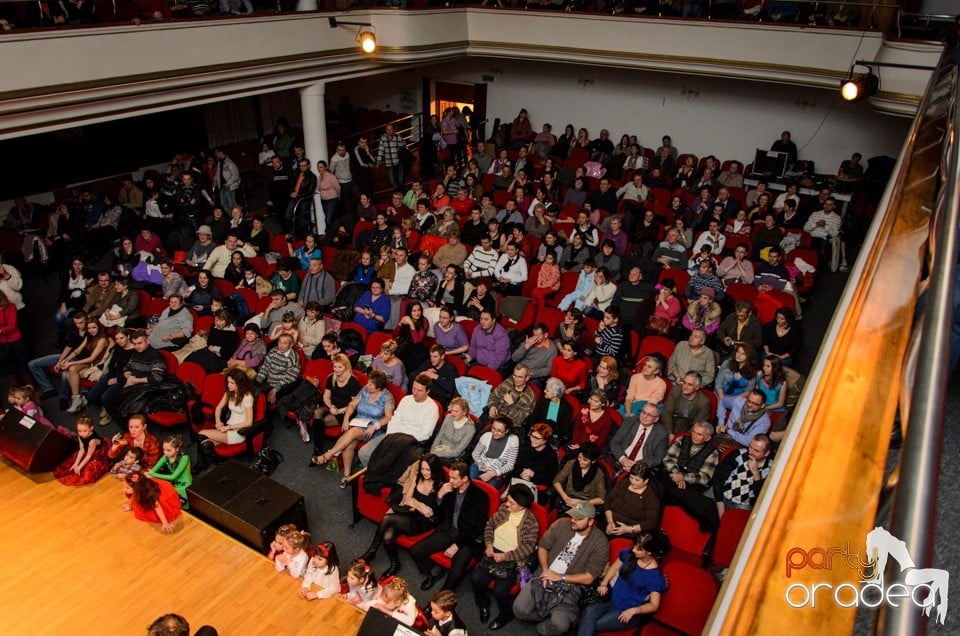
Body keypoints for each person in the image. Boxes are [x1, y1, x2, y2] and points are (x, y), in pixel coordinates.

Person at [512, 502, 609, 635]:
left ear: (591, 522)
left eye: (579, 519)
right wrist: (546, 570)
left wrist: (560, 577)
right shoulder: (562, 523)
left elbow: (589, 577)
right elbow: (543, 546)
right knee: (519, 610)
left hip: (570, 586)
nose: (573, 520)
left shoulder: (600, 543)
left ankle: (543, 626)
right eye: (573, 516)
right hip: (545, 573)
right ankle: (548, 612)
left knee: (560, 626)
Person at [358, 454, 445, 579]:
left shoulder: (440, 485)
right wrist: (420, 505)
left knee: (387, 518)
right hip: (410, 512)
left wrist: (419, 506)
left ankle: (371, 552)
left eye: (428, 469)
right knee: (388, 535)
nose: (424, 472)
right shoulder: (417, 477)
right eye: (422, 469)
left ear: (434, 469)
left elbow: (431, 511)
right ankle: (395, 564)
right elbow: (408, 499)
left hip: (422, 522)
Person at [468, 484, 540, 631]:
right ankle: (483, 602)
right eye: (507, 500)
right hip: (493, 552)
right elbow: (489, 526)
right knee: (476, 579)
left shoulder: (531, 522)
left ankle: (505, 614)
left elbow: (527, 548)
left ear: (521, 506)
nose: (506, 504)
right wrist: (488, 545)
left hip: (512, 559)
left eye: (511, 503)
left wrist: (506, 556)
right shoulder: (503, 509)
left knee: (500, 591)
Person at [411, 461, 490, 593]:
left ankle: (442, 597)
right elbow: (438, 515)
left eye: (454, 478)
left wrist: (458, 544)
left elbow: (478, 527)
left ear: (465, 479)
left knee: (457, 571)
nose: (450, 481)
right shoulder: (448, 489)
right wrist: (439, 497)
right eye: (450, 477)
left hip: (466, 537)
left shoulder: (480, 496)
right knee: (416, 551)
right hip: (448, 530)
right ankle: (434, 572)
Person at [577, 531, 669, 636]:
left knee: (590, 624)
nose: (634, 549)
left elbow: (654, 605)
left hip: (627, 610)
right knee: (589, 611)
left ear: (649, 552)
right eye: (634, 545)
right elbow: (614, 567)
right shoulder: (629, 554)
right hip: (611, 600)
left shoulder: (654, 576)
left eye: (638, 549)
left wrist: (635, 610)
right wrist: (604, 583)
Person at [313, 369, 394, 486]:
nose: (367, 385)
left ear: (378, 387)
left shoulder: (387, 397)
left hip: (374, 428)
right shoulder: (365, 390)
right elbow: (352, 405)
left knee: (353, 431)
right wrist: (346, 419)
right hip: (359, 422)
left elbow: (389, 417)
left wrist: (375, 426)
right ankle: (347, 476)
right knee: (349, 445)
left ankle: (328, 455)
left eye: (371, 384)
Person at [357, 374, 440, 467]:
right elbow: (394, 420)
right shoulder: (406, 400)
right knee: (364, 453)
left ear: (427, 391)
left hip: (412, 443)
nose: (415, 392)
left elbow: (425, 434)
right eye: (414, 388)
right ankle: (375, 475)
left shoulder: (432, 408)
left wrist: (402, 439)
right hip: (393, 436)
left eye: (419, 390)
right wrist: (391, 436)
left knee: (391, 462)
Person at [197, 369, 255, 457]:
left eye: (232, 383)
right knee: (205, 444)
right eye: (228, 382)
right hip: (227, 427)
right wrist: (218, 421)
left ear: (240, 383)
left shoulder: (247, 397)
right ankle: (208, 463)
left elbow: (249, 422)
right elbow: (218, 408)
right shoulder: (230, 393)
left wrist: (228, 427)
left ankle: (206, 463)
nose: (228, 385)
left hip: (239, 432)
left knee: (201, 433)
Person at [63, 319, 111, 413]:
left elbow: (92, 358)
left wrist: (71, 363)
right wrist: (67, 359)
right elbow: (78, 350)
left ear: (99, 327)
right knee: (70, 372)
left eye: (94, 327)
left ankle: (78, 400)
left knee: (71, 371)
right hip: (89, 363)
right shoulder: (89, 336)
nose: (91, 330)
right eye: (89, 328)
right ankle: (79, 399)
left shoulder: (102, 339)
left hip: (96, 365)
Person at [609, 402, 669, 472]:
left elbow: (658, 457)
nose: (644, 416)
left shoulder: (662, 433)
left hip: (641, 469)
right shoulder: (630, 421)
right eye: (643, 412)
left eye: (649, 415)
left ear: (656, 419)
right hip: (620, 459)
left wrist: (638, 465)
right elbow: (615, 442)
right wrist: (622, 459)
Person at [604, 462, 661, 536]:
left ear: (646, 481)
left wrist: (628, 529)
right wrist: (610, 521)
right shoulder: (624, 483)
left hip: (631, 530)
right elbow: (608, 501)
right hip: (610, 521)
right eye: (631, 477)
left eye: (637, 480)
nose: (632, 481)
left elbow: (651, 522)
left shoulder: (650, 497)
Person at [54, 415, 112, 486]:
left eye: (85, 431)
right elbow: (82, 450)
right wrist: (76, 463)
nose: (82, 434)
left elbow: (89, 456)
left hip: (96, 453)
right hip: (88, 450)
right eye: (79, 431)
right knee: (71, 464)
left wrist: (80, 466)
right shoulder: (80, 436)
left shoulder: (92, 441)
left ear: (91, 428)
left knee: (87, 472)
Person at [553, 443, 607, 514]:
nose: (580, 462)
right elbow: (557, 481)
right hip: (569, 498)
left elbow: (602, 499)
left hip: (586, 502)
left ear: (593, 461)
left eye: (585, 460)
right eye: (579, 457)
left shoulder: (598, 473)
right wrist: (565, 497)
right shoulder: (571, 464)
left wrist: (582, 502)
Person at [471, 416, 520, 490]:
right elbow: (475, 453)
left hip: (497, 471)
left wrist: (492, 473)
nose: (495, 433)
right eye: (493, 428)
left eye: (499, 431)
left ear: (506, 431)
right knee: (469, 481)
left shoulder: (513, 440)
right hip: (481, 466)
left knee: (488, 489)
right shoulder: (486, 436)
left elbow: (510, 465)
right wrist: (479, 461)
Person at [254, 333, 301, 408]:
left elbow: (290, 377)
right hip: (269, 381)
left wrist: (275, 389)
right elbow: (265, 367)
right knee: (252, 390)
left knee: (263, 399)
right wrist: (257, 381)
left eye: (285, 343)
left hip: (282, 387)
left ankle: (260, 417)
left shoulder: (293, 357)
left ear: (291, 345)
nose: (281, 345)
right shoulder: (273, 350)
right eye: (280, 342)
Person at [660, 371, 713, 437]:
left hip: (688, 428)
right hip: (671, 422)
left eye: (690, 384)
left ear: (697, 387)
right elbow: (667, 412)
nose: (685, 387)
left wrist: (684, 437)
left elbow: (697, 425)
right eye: (684, 383)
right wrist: (669, 433)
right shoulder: (676, 390)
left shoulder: (703, 402)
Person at [429, 397, 476, 464]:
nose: (453, 414)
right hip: (438, 449)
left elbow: (457, 452)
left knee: (433, 463)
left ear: (464, 412)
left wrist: (436, 454)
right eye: (452, 410)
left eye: (456, 411)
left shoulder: (470, 429)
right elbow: (439, 436)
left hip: (452, 457)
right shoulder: (448, 417)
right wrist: (432, 451)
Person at [149, 434, 192, 503]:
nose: (165, 453)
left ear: (177, 449)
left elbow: (173, 477)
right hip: (174, 485)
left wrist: (153, 474)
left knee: (185, 507)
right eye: (163, 450)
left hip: (185, 486)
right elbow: (153, 470)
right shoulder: (165, 457)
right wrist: (148, 473)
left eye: (168, 450)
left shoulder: (184, 458)